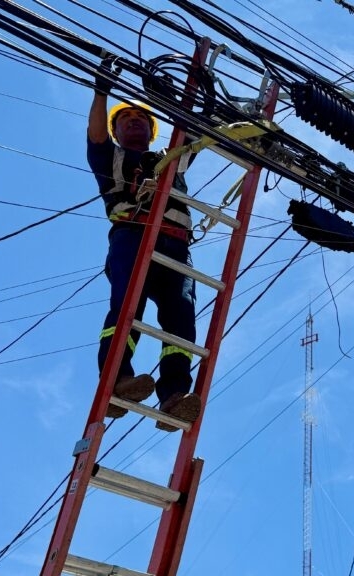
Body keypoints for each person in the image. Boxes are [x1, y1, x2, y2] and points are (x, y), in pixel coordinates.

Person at [87, 56, 200, 432]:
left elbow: (194, 134)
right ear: (117, 132)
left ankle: (174, 395)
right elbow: (95, 136)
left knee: (180, 317)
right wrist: (102, 89)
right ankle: (118, 379)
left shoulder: (171, 159)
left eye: (141, 119)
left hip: (176, 246)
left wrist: (188, 95)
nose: (133, 121)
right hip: (132, 237)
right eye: (125, 120)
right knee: (127, 306)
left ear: (152, 132)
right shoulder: (111, 157)